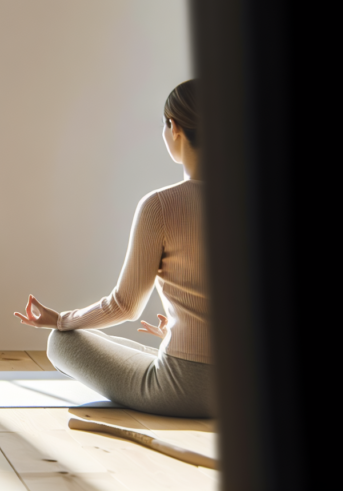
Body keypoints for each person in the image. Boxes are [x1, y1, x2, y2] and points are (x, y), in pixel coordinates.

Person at [14, 80, 213, 418]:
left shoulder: (161, 205)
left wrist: (60, 320)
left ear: (174, 127)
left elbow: (124, 306)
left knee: (64, 340)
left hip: (186, 390)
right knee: (121, 346)